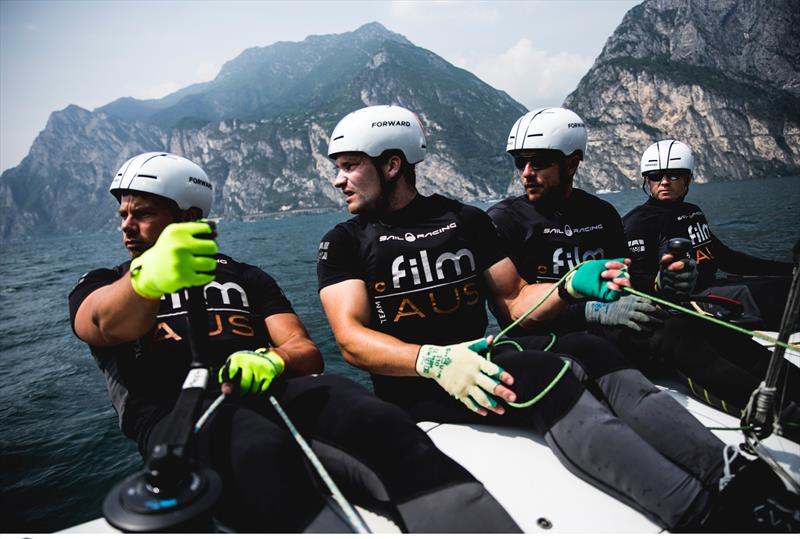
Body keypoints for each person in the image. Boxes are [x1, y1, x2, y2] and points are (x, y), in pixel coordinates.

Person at [315, 105, 793, 532]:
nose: (340, 180)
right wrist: (434, 361)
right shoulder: (345, 242)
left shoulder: (464, 221)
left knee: (593, 348)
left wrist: (568, 287)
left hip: (476, 358)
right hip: (421, 384)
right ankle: (700, 515)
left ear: (392, 163)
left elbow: (516, 299)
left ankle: (740, 481)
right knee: (551, 374)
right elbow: (351, 340)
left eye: (350, 167)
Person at [69, 152, 520, 533]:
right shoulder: (104, 283)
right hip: (180, 418)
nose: (127, 226)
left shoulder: (245, 276)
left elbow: (306, 352)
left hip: (273, 391)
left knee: (375, 418)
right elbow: (102, 324)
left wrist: (272, 359)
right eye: (123, 215)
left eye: (142, 213)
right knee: (258, 452)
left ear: (187, 218)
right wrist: (146, 280)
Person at [489, 110, 799, 427]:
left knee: (704, 322)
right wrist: (590, 311)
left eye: (539, 162)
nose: (526, 173)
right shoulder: (505, 220)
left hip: (615, 324)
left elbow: (630, 278)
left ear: (572, 163)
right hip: (559, 337)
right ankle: (783, 417)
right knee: (669, 331)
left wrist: (662, 283)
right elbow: (514, 316)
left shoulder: (600, 213)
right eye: (520, 162)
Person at [623, 139, 794, 328]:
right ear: (647, 180)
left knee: (789, 283)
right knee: (777, 292)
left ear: (687, 179)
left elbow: (726, 258)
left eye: (674, 175)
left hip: (711, 289)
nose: (664, 182)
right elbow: (633, 278)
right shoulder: (638, 222)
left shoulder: (692, 212)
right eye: (655, 175)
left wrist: (790, 269)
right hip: (684, 304)